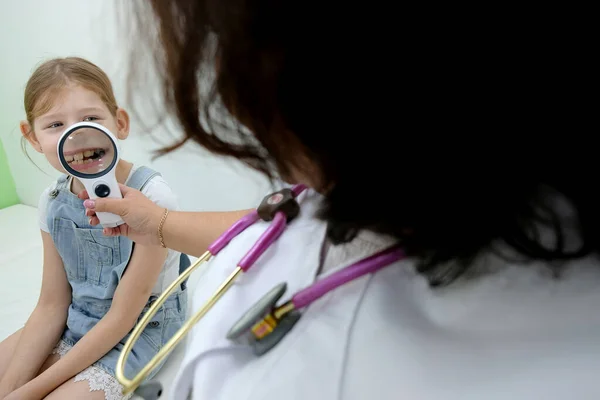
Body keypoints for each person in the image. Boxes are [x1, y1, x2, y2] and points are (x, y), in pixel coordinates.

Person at [83, 2, 598, 399]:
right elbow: (287, 226)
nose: (221, 77)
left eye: (226, 42)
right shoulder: (381, 187)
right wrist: (159, 224)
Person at [0, 57, 190, 400]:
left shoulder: (152, 197)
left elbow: (122, 317)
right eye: (55, 124)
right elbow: (51, 304)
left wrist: (28, 393)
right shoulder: (52, 201)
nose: (77, 136)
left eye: (90, 119)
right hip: (77, 316)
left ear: (119, 123)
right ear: (33, 138)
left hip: (138, 329)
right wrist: (11, 388)